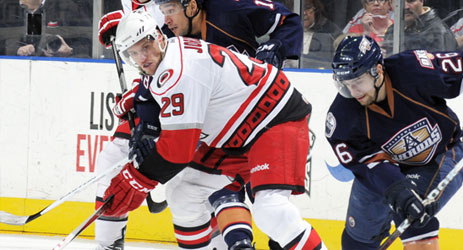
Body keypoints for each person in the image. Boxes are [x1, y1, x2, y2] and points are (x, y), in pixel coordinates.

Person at [103, 9, 327, 250]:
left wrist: (135, 180)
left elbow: (177, 152)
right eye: (133, 53)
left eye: (145, 47)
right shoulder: (168, 55)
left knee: (271, 211)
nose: (142, 58)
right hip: (235, 135)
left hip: (273, 119)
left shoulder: (177, 71)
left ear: (158, 36)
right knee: (183, 194)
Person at [326, 35, 463, 249]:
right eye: (346, 84)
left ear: (377, 71)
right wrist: (395, 188)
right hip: (383, 171)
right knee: (357, 242)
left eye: (358, 81)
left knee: (414, 214)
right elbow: (369, 168)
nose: (352, 91)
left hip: (437, 156)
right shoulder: (342, 119)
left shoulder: (413, 70)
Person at [95, 1, 232, 250]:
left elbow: (179, 51)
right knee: (113, 157)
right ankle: (107, 244)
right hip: (157, 94)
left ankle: (222, 244)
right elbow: (145, 57)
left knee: (197, 184)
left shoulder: (178, 7)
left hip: (199, 91)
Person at [155, 0, 303, 68]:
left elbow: (288, 20)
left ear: (192, 7)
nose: (166, 20)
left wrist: (276, 48)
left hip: (253, 101)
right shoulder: (167, 40)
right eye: (163, 12)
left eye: (171, 11)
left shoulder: (231, 8)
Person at [381, 0, 458, 56]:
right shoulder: (392, 30)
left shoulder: (439, 31)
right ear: (390, 3)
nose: (405, 7)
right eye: (399, 1)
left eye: (411, 0)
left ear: (421, 1)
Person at [292, 0, 341, 68]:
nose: (303, 12)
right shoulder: (284, 31)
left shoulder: (330, 31)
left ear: (316, 9)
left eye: (307, 7)